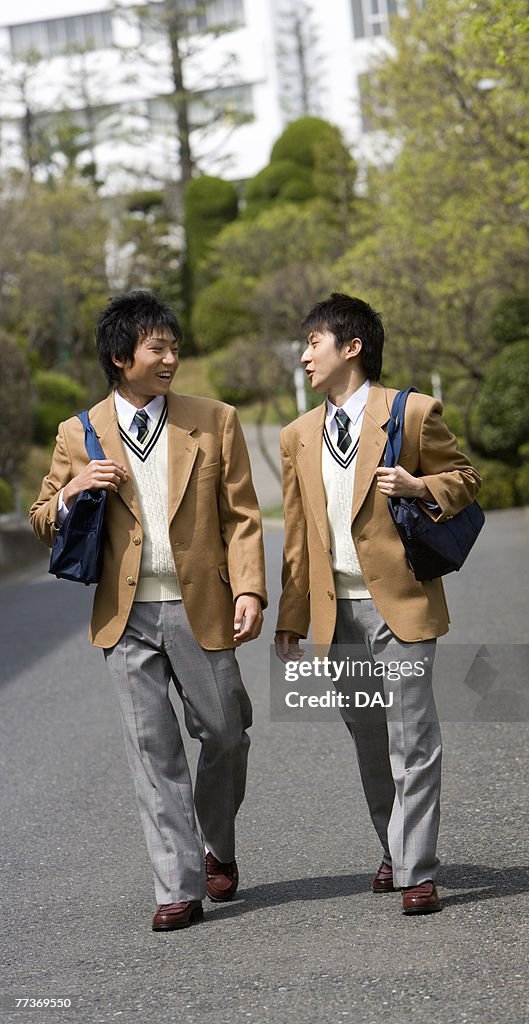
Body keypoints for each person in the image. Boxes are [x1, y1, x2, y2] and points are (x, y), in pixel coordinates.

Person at [30, 290, 266, 932]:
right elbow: (42, 520)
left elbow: (242, 517)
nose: (170, 358)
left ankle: (217, 842)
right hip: (124, 612)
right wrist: (74, 487)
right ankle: (177, 885)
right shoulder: (76, 434)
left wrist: (249, 589)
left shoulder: (214, 419)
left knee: (225, 735)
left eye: (173, 347)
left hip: (203, 607)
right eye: (157, 347)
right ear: (119, 355)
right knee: (151, 748)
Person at [275, 293, 481, 915]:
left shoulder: (411, 413)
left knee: (412, 737)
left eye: (314, 343)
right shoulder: (296, 436)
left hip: (403, 602)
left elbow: (467, 478)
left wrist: (421, 486)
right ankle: (393, 845)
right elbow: (298, 533)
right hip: (336, 614)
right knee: (369, 738)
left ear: (351, 347)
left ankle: (417, 871)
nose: (306, 355)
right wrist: (291, 617)